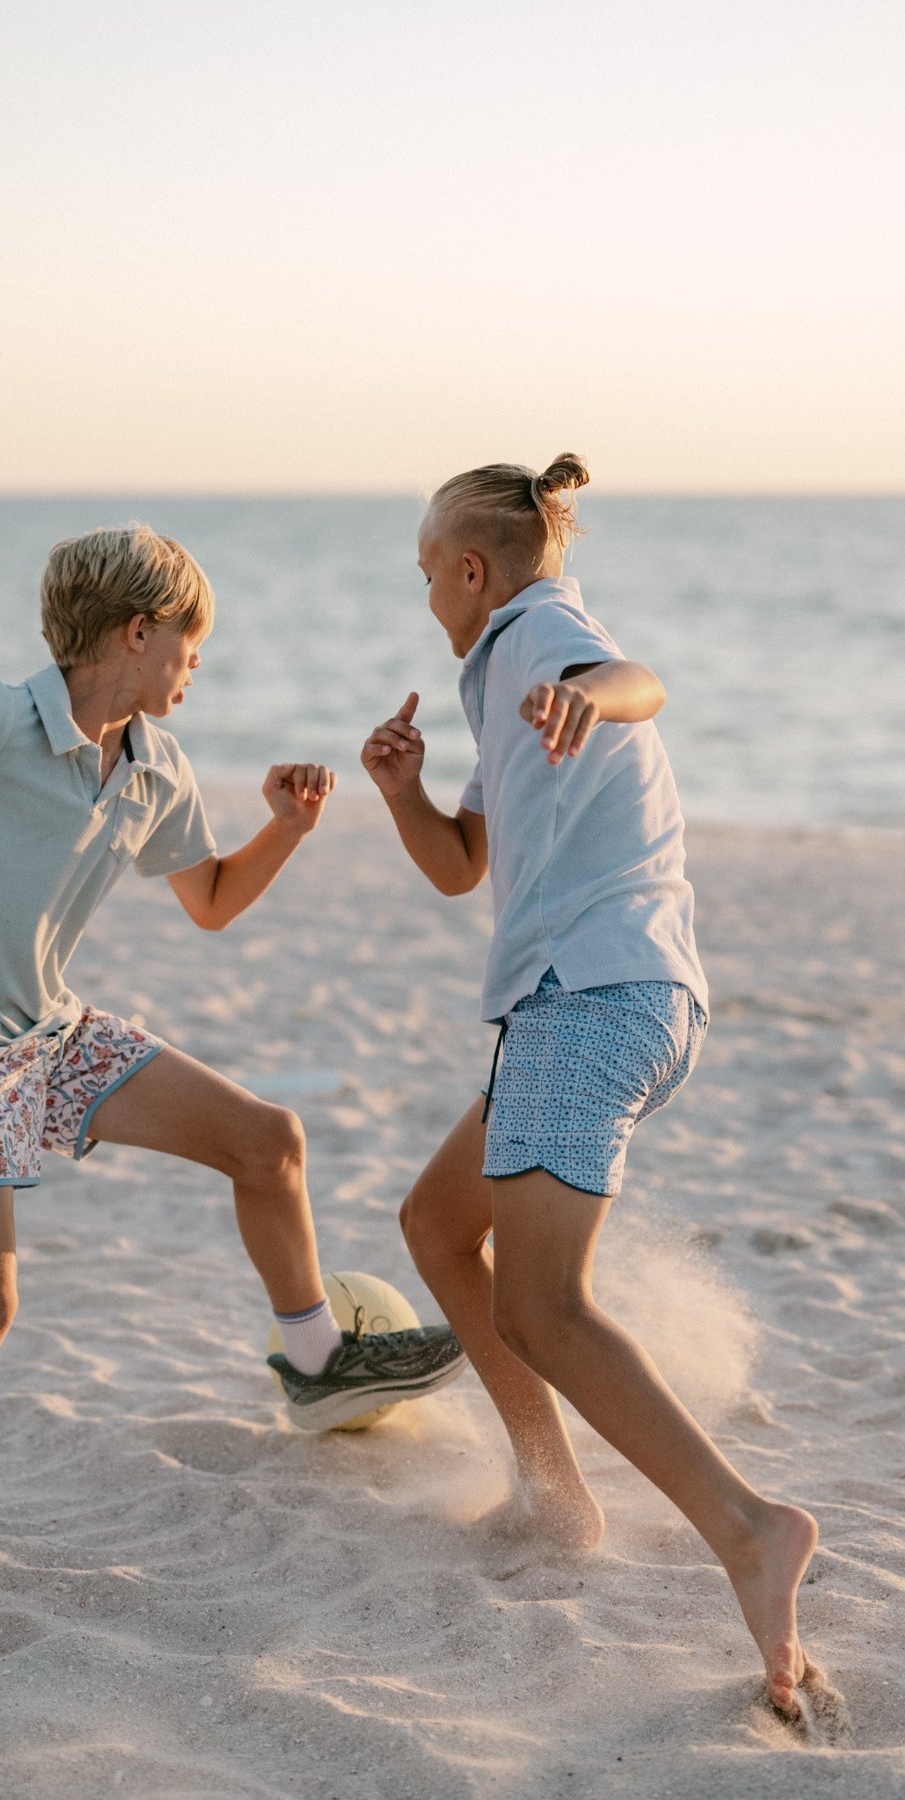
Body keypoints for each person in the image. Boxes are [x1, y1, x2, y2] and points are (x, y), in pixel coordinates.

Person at [0, 523, 465, 1667]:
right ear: (137, 630)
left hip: (48, 1030)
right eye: (190, 641)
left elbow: (210, 901)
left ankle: (316, 1365)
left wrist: (289, 829)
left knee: (269, 1141)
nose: (197, 663)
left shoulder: (157, 763)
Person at [361, 457, 817, 1718]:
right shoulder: (499, 686)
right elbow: (462, 865)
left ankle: (749, 1529)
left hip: (598, 999)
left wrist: (586, 701)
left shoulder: (542, 634)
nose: (427, 599)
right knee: (438, 1226)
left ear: (470, 571)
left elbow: (640, 682)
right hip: (593, 1003)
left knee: (546, 1306)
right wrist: (403, 794)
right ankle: (555, 1496)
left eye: (426, 576)